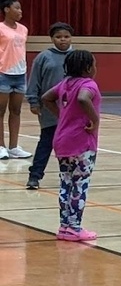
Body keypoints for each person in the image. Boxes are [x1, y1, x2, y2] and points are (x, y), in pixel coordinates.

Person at [41, 49, 101, 241]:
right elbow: (83, 98)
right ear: (87, 68)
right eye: (94, 64)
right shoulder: (89, 84)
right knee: (80, 185)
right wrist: (95, 119)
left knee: (66, 183)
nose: (96, 68)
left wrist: (62, 115)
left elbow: (46, 97)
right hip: (81, 142)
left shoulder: (65, 83)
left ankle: (64, 226)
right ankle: (75, 227)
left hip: (62, 141)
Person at [25, 22, 73, 190]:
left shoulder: (76, 56)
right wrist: (33, 101)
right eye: (58, 37)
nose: (62, 40)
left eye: (66, 37)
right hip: (49, 108)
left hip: (71, 109)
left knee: (69, 144)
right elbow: (34, 81)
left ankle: (68, 176)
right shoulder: (44, 57)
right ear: (52, 38)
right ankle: (35, 176)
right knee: (46, 142)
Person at [0, 0, 31, 160]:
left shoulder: (23, 29)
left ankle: (13, 147)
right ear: (6, 9)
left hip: (20, 74)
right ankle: (1, 146)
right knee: (0, 112)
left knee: (16, 111)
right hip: (3, 74)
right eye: (16, 8)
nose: (20, 11)